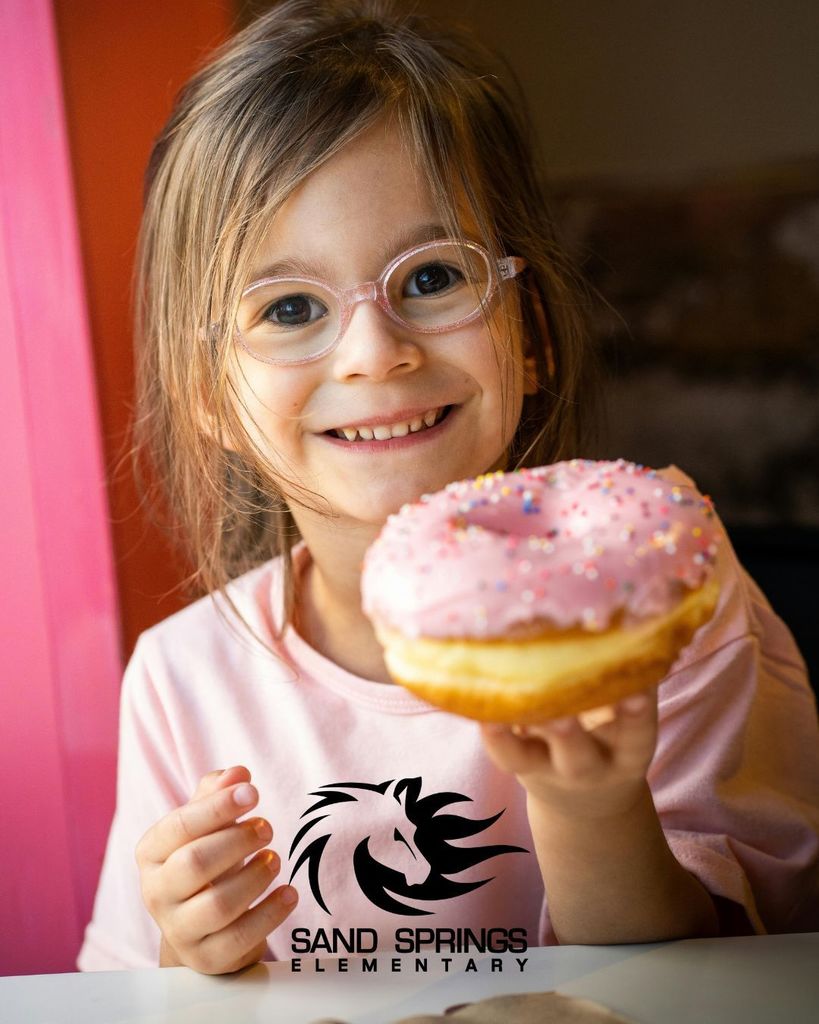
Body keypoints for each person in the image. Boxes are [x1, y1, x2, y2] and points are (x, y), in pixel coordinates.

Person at [78, 0, 819, 975]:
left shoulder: (664, 607)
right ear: (208, 394)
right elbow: (116, 994)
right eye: (290, 307)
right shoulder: (183, 680)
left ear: (535, 333)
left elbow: (730, 985)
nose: (376, 352)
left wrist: (593, 809)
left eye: (431, 278)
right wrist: (186, 953)